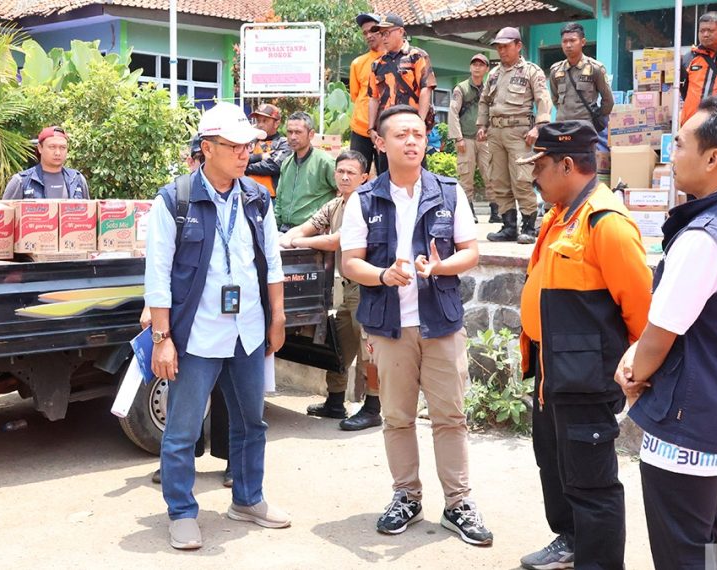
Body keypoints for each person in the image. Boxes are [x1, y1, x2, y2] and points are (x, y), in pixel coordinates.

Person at [615, 97, 717, 569]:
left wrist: (632, 372)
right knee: (707, 530)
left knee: (682, 544)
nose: (669, 155)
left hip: (691, 421)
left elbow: (660, 337)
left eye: (678, 144)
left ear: (712, 158)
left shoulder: (704, 238)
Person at [341, 104, 493, 546]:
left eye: (418, 134)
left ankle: (459, 503)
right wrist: (384, 274)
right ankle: (406, 495)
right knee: (397, 417)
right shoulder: (364, 200)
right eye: (402, 134)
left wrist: (441, 267)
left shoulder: (448, 192)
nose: (412, 141)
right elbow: (351, 263)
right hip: (390, 326)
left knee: (451, 416)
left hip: (440, 322)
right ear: (381, 143)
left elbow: (471, 251)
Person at [144, 102, 289, 550]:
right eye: (234, 145)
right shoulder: (175, 200)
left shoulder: (257, 197)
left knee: (252, 422)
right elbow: (158, 275)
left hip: (247, 329)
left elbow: (271, 262)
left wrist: (277, 316)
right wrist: (162, 339)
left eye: (249, 145)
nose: (245, 153)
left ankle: (247, 498)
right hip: (198, 335)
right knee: (183, 429)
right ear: (207, 148)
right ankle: (182, 511)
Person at [517, 121, 652, 570]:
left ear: (567, 164)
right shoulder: (561, 214)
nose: (533, 175)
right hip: (551, 371)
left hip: (585, 379)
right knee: (555, 468)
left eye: (539, 165)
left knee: (593, 484)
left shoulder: (606, 223)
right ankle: (570, 541)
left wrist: (634, 370)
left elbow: (640, 311)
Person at [146, 136, 233, 488]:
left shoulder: (245, 198)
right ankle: (182, 464)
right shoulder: (177, 199)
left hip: (234, 321)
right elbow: (161, 266)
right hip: (190, 320)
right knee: (187, 399)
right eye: (192, 158)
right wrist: (154, 319)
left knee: (230, 399)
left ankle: (231, 463)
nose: (194, 164)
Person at [279, 150, 383, 430]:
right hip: (346, 286)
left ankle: (373, 407)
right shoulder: (336, 203)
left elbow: (338, 240)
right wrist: (288, 238)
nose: (345, 177)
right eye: (341, 171)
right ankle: (335, 402)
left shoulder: (368, 204)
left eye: (351, 172)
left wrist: (299, 243)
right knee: (339, 346)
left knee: (368, 350)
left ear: (364, 177)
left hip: (370, 287)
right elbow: (306, 227)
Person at [477, 27, 552, 244]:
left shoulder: (531, 71)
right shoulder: (493, 74)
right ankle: (509, 226)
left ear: (518, 46)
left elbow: (543, 100)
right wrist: (482, 124)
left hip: (520, 133)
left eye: (506, 46)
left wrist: (539, 127)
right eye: (499, 47)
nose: (502, 51)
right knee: (499, 181)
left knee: (522, 179)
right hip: (495, 132)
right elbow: (484, 102)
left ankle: (528, 226)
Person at [366, 13, 437, 175]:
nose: (383, 38)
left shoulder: (417, 56)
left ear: (400, 32)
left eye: (387, 33)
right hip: (387, 129)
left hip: (410, 127)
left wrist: (419, 121)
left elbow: (426, 88)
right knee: (385, 173)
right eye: (381, 34)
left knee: (416, 172)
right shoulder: (377, 64)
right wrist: (371, 128)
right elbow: (373, 98)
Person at [274, 112, 338, 231]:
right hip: (283, 230)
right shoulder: (286, 163)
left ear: (311, 134)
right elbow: (279, 200)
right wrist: (273, 228)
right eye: (289, 132)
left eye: (298, 132)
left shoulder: (325, 162)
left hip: (311, 232)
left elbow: (345, 191)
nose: (292, 137)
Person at [448, 53, 492, 220]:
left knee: (492, 175)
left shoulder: (490, 88)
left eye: (481, 65)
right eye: (474, 64)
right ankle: (468, 213)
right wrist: (458, 137)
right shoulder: (461, 88)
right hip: (466, 138)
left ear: (486, 69)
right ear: (470, 67)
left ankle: (497, 212)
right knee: (466, 176)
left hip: (485, 138)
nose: (477, 67)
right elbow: (453, 112)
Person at [548, 23, 614, 129]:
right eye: (565, 41)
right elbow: (555, 99)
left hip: (586, 128)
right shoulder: (555, 70)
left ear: (582, 42)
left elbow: (608, 101)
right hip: (562, 127)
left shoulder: (595, 68)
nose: (568, 45)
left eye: (572, 40)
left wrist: (595, 117)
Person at [1, 125, 90, 200]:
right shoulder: (21, 181)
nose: (58, 153)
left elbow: (88, 214)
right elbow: (6, 216)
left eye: (63, 147)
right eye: (52, 147)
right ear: (40, 148)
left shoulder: (77, 179)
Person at [349, 13, 385, 172]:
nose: (369, 35)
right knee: (355, 175)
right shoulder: (358, 63)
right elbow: (356, 96)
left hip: (385, 130)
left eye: (373, 30)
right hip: (360, 130)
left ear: (383, 31)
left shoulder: (394, 59)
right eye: (365, 33)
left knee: (387, 176)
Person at [247, 104, 291, 199]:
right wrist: (260, 157)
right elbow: (239, 158)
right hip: (247, 194)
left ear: (276, 123)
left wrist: (244, 167)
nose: (260, 124)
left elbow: (273, 166)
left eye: (265, 121)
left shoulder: (283, 143)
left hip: (271, 198)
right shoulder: (249, 142)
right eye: (258, 121)